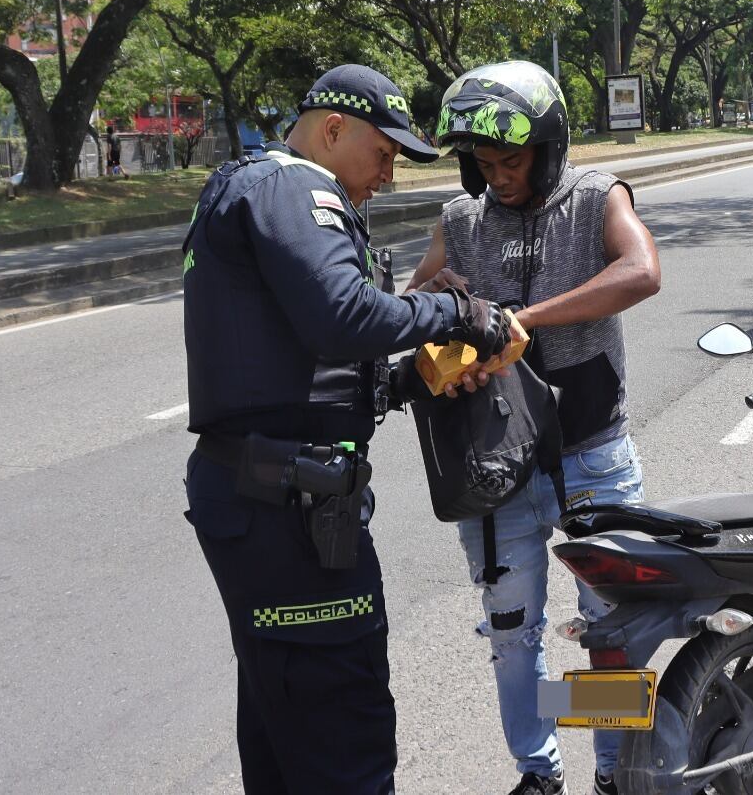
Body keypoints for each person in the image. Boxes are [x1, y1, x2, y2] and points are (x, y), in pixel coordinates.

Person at [181, 63, 512, 795]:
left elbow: (291, 366)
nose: (387, 178)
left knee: (284, 721)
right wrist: (461, 315)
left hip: (261, 493)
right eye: (384, 154)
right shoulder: (299, 189)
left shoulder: (249, 185)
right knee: (343, 734)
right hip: (289, 510)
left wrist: (405, 379)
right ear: (333, 130)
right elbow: (343, 316)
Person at [406, 60, 661, 795]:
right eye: (483, 165)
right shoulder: (461, 220)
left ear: (547, 148)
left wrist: (523, 320)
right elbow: (411, 308)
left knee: (609, 635)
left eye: (511, 162)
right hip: (495, 467)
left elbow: (642, 271)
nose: (498, 178)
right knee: (513, 636)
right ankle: (539, 772)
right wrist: (439, 299)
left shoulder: (596, 197)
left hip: (591, 455)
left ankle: (612, 773)